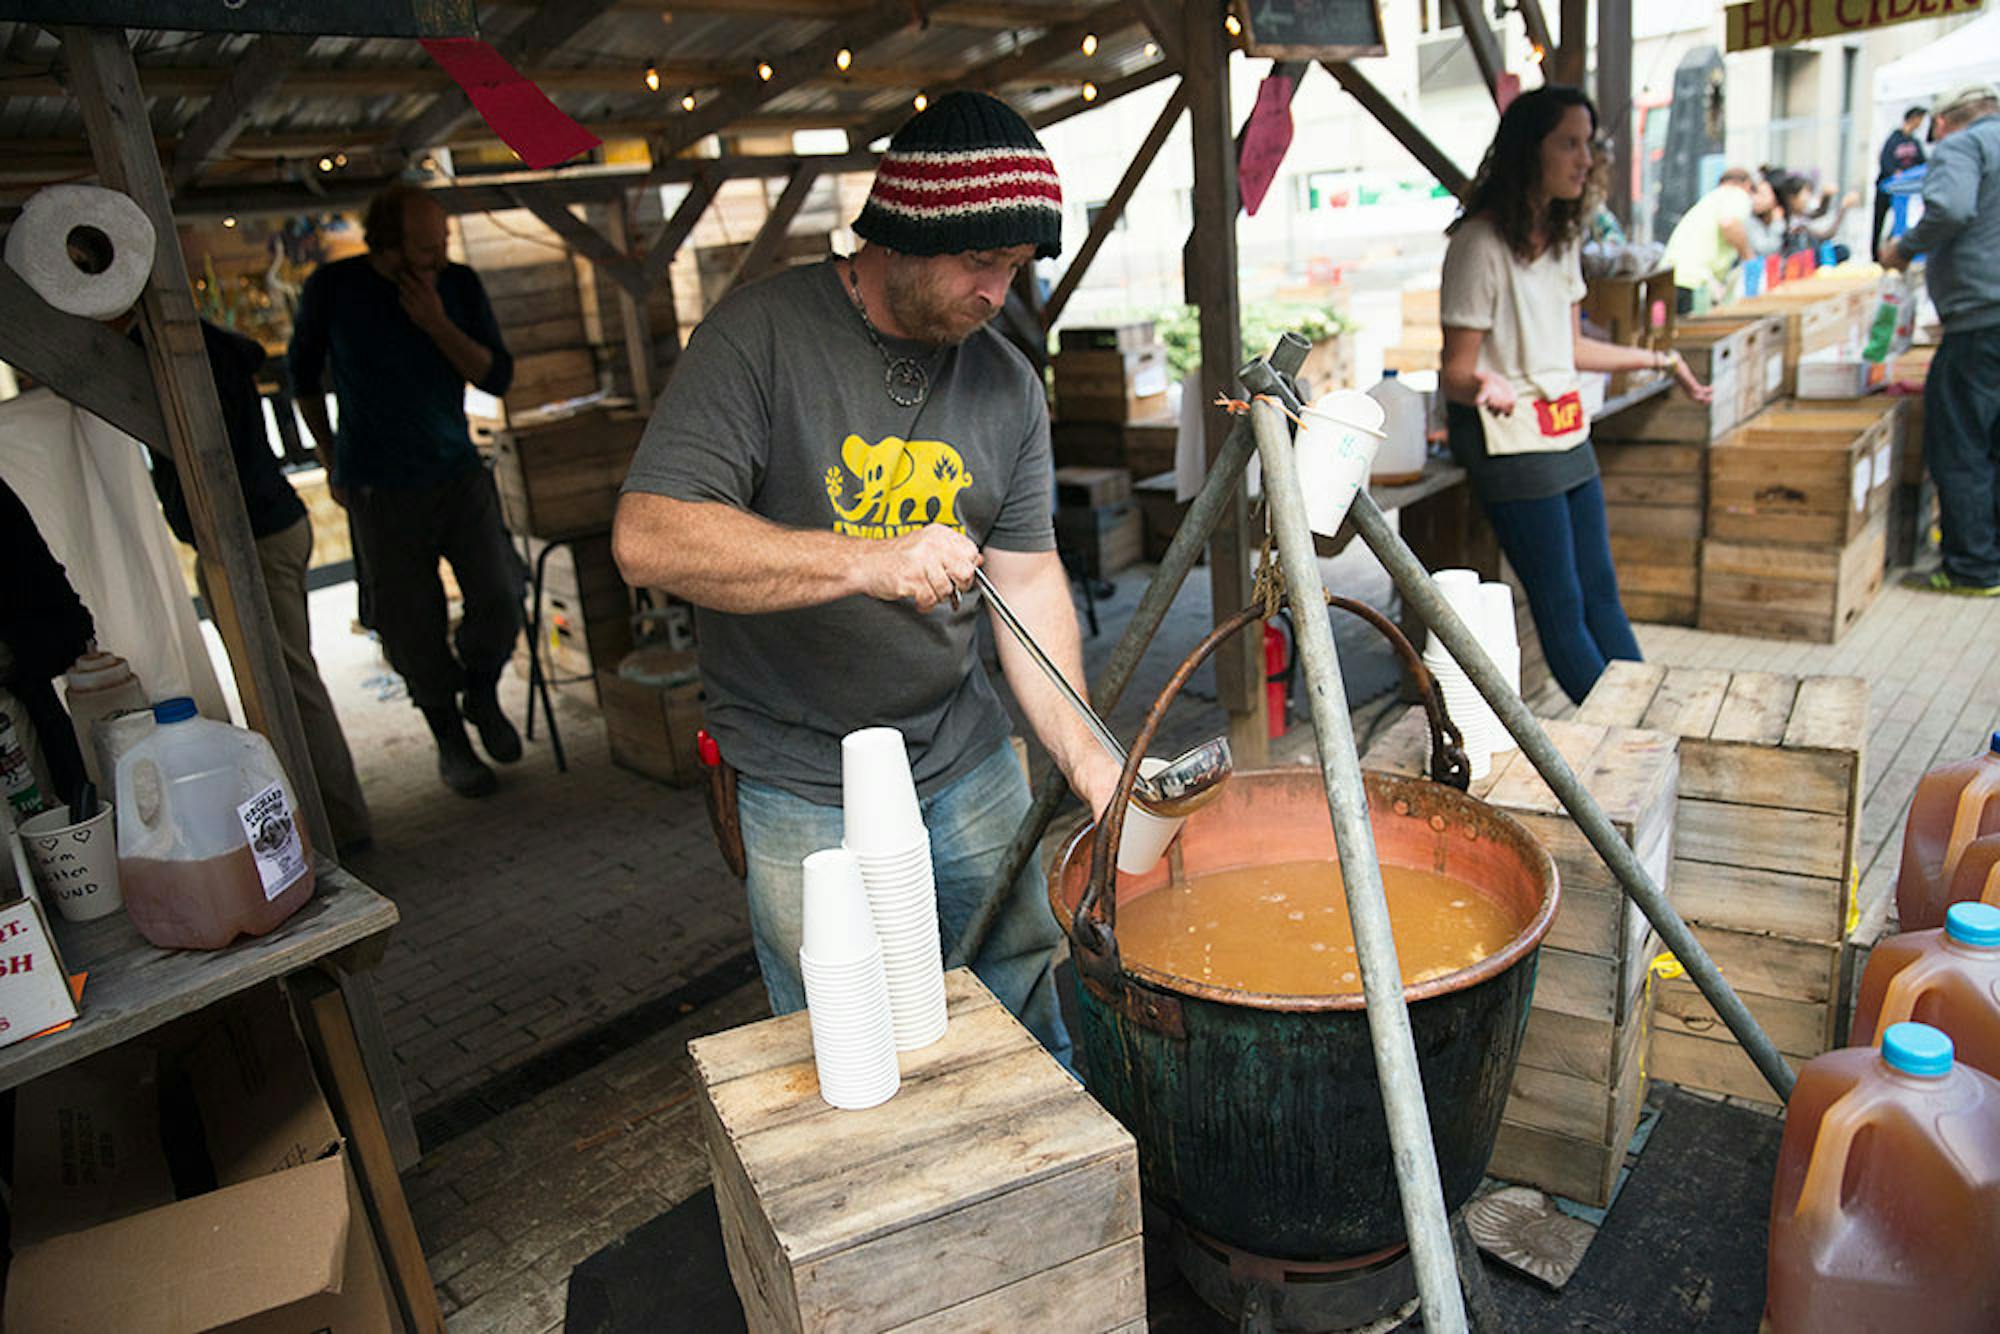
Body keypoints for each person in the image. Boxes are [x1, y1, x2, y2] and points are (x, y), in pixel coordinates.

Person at [612, 92, 1121, 1063]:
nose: (996, 294)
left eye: (1014, 268)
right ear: (902, 234)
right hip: (801, 768)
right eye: (981, 262)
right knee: (842, 1038)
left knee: (1018, 991)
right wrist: (864, 559)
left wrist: (1089, 755)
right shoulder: (758, 338)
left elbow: (1027, 580)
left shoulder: (1006, 383)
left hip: (960, 750)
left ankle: (1047, 1204)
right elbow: (648, 538)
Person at [1439, 86, 1712, 704]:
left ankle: (1649, 720)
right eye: (1569, 143)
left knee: (1601, 592)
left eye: (1588, 144)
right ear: (1527, 150)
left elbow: (1569, 351)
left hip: (1562, 427)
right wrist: (1486, 380)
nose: (1585, 159)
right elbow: (1455, 370)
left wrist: (1660, 359)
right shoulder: (1478, 245)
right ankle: (1623, 740)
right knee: (1561, 606)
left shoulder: (1559, 241)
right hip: (1508, 439)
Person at [289, 184, 525, 797]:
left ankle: (480, 692)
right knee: (408, 623)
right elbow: (302, 377)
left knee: (502, 593)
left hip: (456, 471)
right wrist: (327, 453)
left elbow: (495, 376)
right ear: (387, 244)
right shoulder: (334, 289)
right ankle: (449, 737)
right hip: (378, 484)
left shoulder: (458, 285)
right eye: (426, 245)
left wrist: (436, 323)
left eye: (444, 241)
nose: (440, 255)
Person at [134, 318, 374, 851]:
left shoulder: (183, 348)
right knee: (285, 684)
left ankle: (338, 828)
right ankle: (331, 823)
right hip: (257, 527)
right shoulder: (197, 342)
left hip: (253, 534)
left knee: (289, 687)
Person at [1883, 83, 2000, 597]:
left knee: (1960, 440)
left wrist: (1904, 249)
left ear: (1945, 122)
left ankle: (1972, 568)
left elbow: (1950, 209)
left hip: (1981, 316)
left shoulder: (1962, 146)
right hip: (1984, 313)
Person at [1664, 167, 1770, 313]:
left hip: (1673, 276)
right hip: (1694, 281)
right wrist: (1748, 256)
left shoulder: (1714, 198)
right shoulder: (1736, 195)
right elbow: (1729, 223)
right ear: (1746, 185)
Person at [1875, 106, 1929, 261]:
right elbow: (1885, 161)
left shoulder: (1915, 142)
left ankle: (1895, 252)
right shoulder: (1893, 140)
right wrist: (1895, 172)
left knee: (1900, 225)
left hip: (1908, 191)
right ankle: (1878, 256)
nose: (1920, 123)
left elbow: (1923, 163)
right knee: (1880, 222)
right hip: (1889, 188)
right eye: (1919, 119)